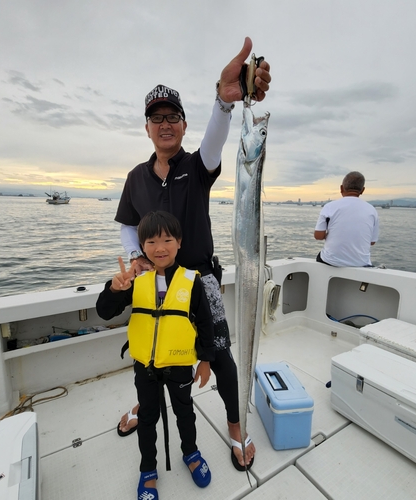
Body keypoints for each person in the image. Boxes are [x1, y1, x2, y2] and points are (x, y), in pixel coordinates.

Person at [114, 36, 271, 471]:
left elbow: (218, 141)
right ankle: (145, 405)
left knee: (219, 352)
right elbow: (128, 222)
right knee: (153, 346)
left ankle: (236, 424)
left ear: (183, 126)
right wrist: (137, 257)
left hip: (202, 278)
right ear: (147, 128)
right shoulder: (135, 178)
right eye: (156, 118)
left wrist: (223, 101)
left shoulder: (196, 165)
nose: (165, 124)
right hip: (156, 281)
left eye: (173, 117)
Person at [96, 211, 215, 499]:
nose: (159, 248)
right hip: (145, 367)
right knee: (147, 418)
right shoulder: (135, 280)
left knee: (185, 413)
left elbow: (205, 322)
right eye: (151, 241)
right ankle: (148, 469)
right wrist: (114, 289)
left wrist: (206, 361)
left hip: (180, 365)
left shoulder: (191, 280)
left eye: (167, 240)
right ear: (141, 245)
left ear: (179, 243)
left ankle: (191, 453)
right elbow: (104, 311)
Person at [314, 171, 379, 267]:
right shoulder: (372, 210)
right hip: (361, 263)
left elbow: (318, 236)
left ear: (341, 188)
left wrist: (331, 233)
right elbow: (372, 242)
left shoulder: (329, 207)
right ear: (362, 190)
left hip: (331, 261)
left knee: (322, 257)